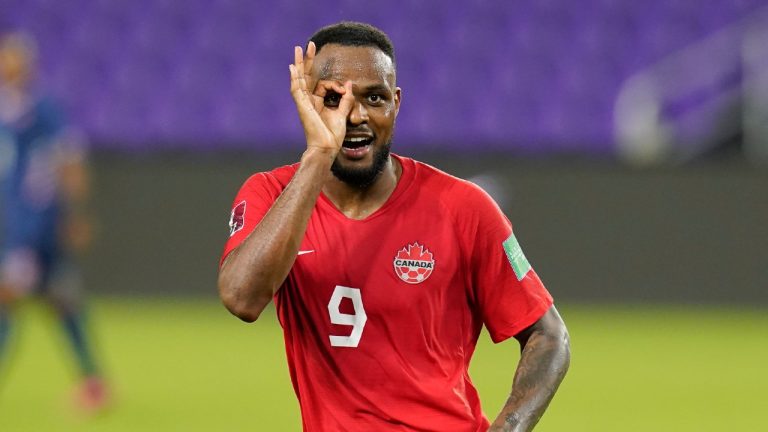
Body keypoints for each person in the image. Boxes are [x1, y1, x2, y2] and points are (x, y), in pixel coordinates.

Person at [218, 21, 569, 432]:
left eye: (375, 97)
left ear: (396, 104)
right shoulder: (271, 194)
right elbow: (242, 297)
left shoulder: (464, 208)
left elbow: (549, 337)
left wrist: (508, 429)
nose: (356, 115)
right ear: (308, 104)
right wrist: (318, 154)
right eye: (333, 99)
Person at [0, 31, 107, 410]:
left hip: (37, 224)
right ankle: (95, 382)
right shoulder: (8, 109)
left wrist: (74, 213)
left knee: (7, 297)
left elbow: (70, 160)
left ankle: (94, 382)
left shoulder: (41, 108)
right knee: (62, 301)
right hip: (19, 223)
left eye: (12, 58)